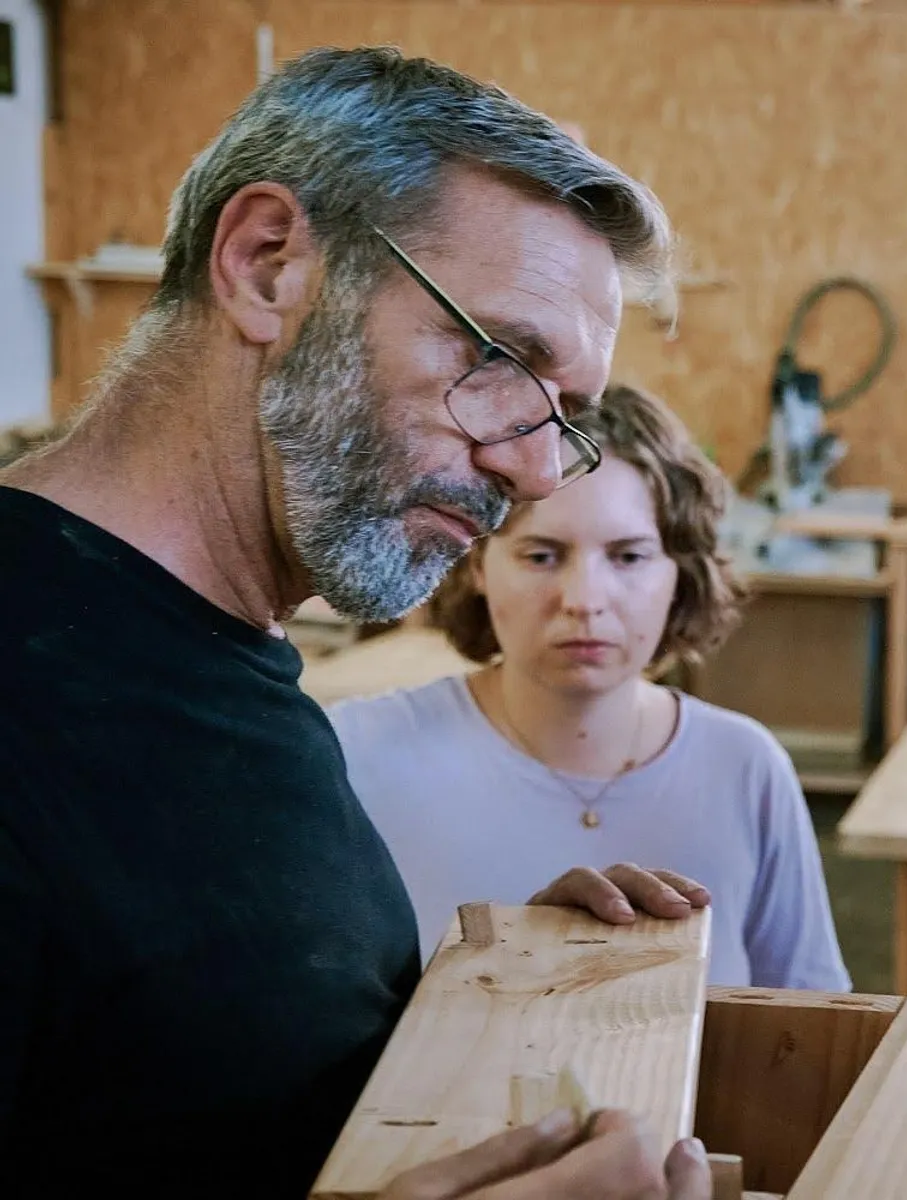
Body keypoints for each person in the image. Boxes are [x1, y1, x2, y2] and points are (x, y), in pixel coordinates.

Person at [1, 46, 719, 1199]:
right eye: (497, 359)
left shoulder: (239, 661)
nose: (534, 473)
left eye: (563, 416)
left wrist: (477, 1007)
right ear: (269, 266)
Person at [331, 383, 852, 991]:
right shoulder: (359, 756)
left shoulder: (746, 768)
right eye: (542, 556)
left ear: (679, 574)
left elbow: (811, 1030)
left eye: (628, 557)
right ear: (475, 562)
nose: (584, 601)